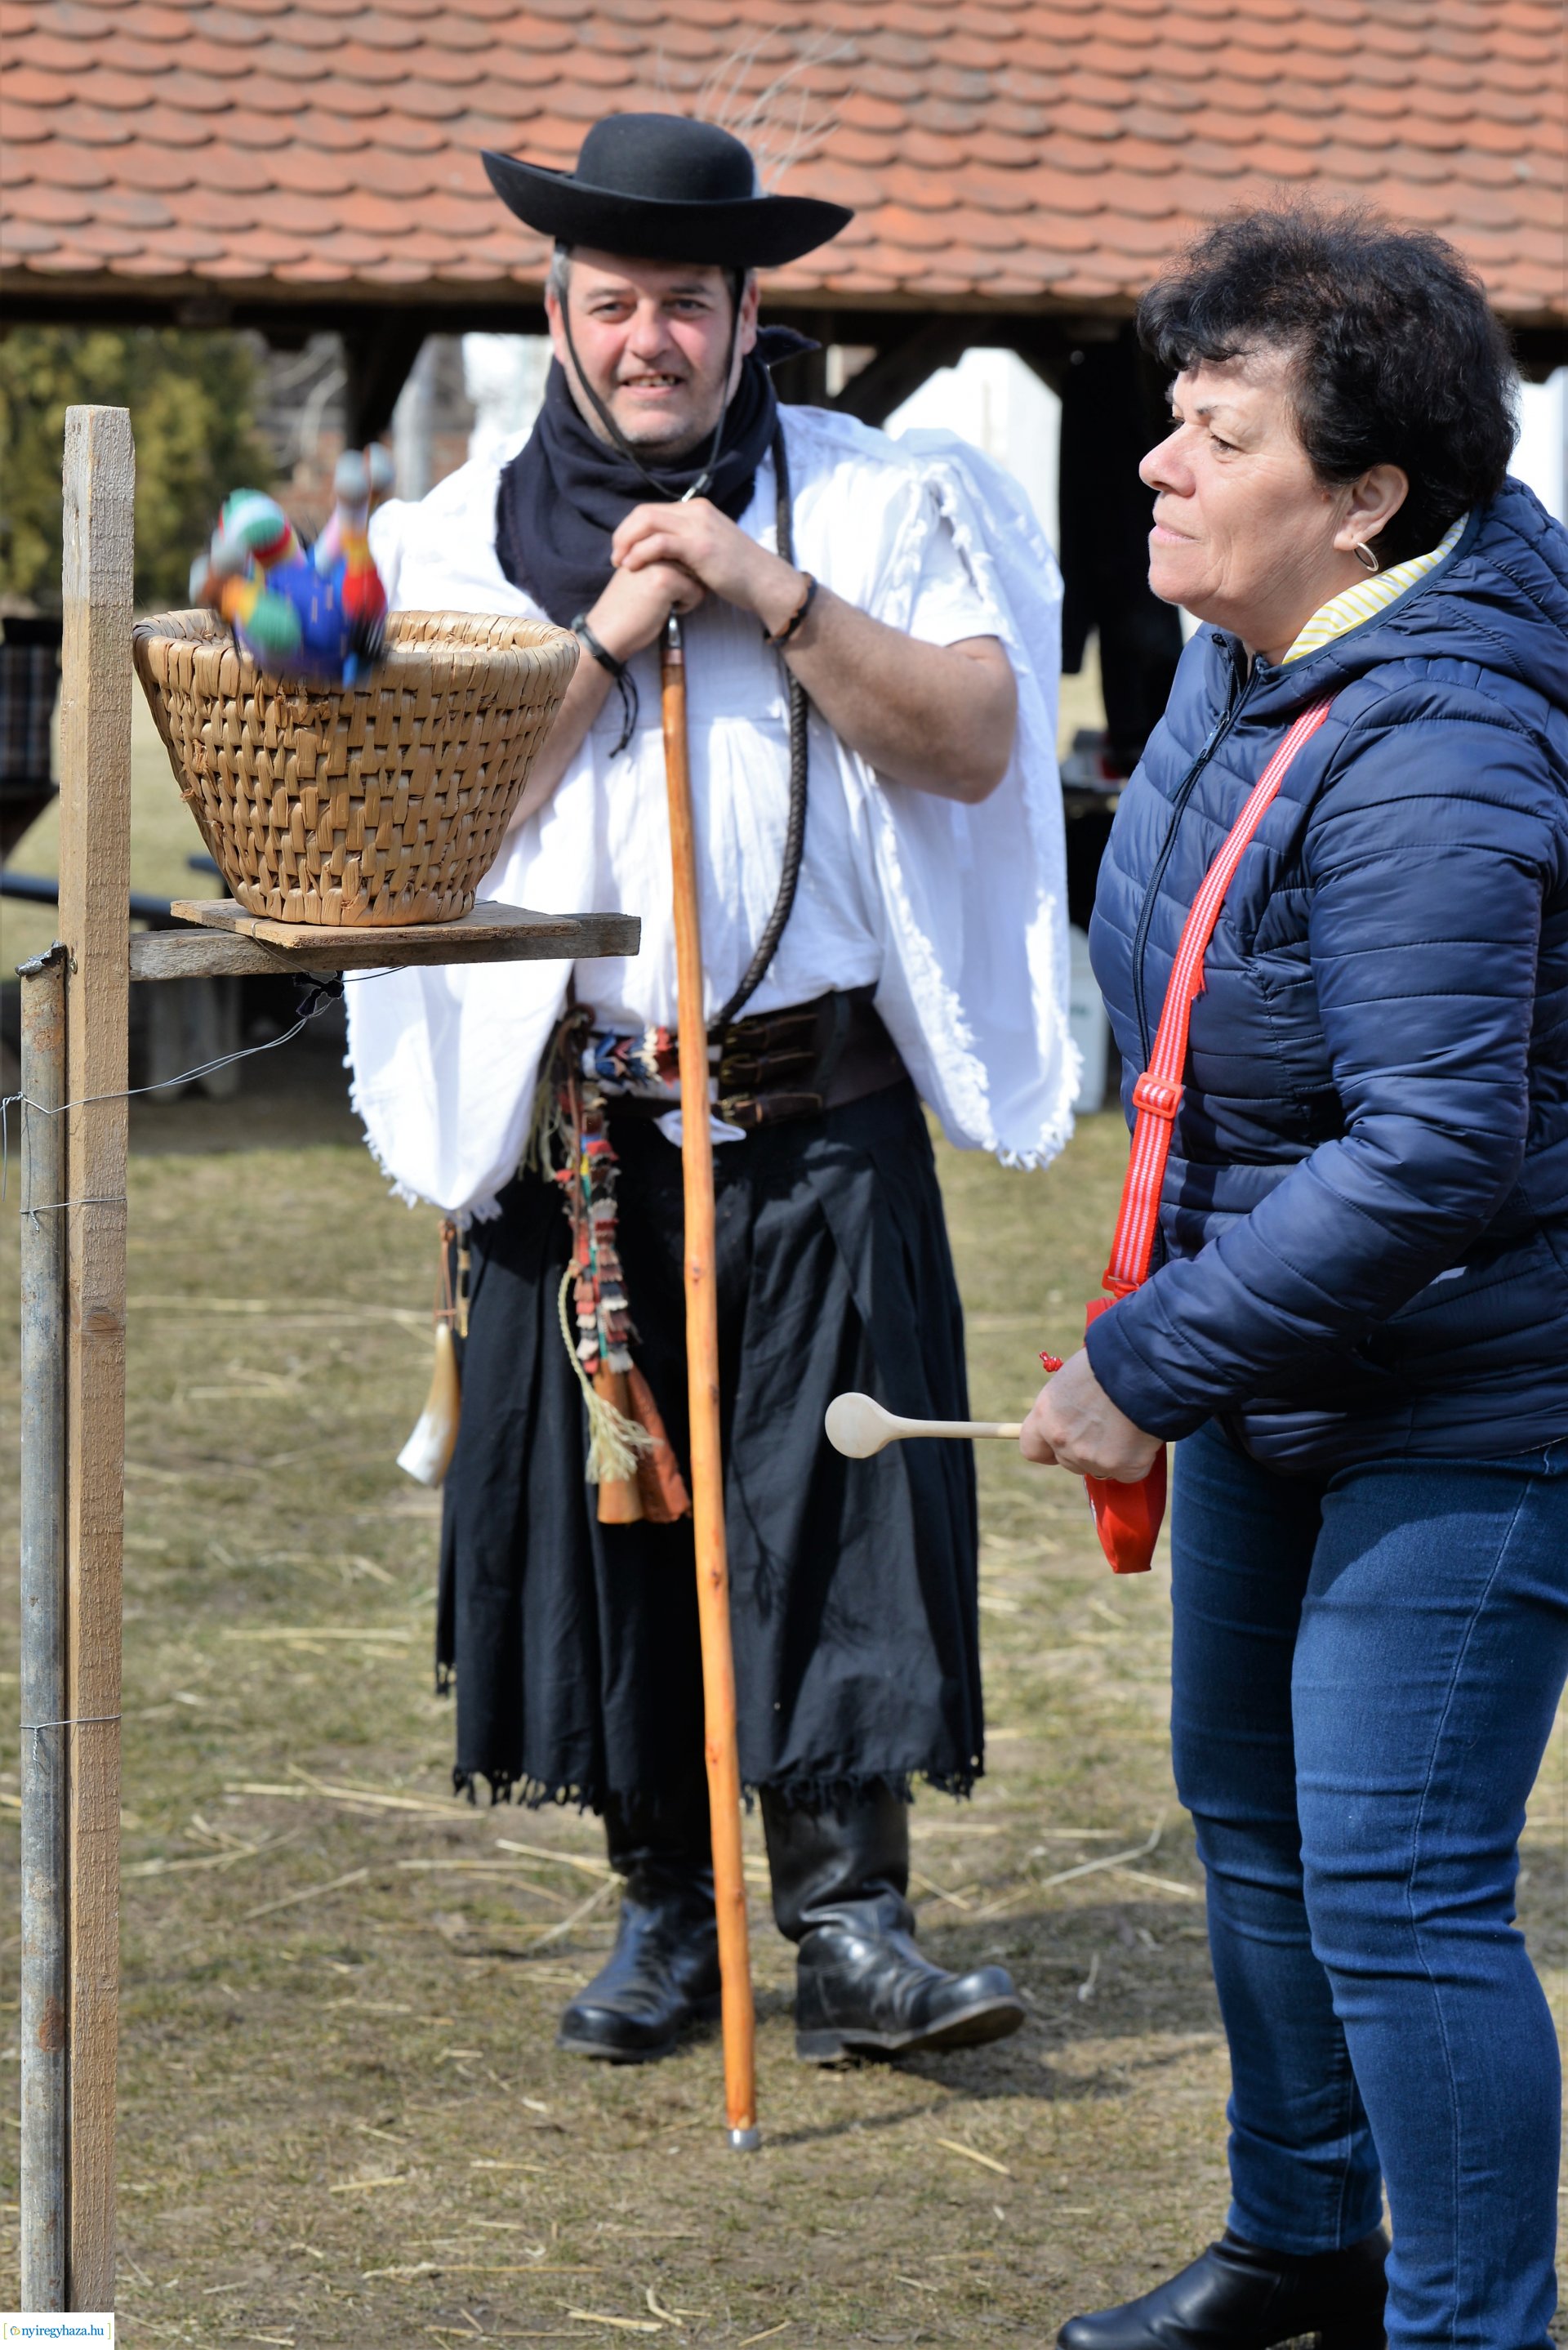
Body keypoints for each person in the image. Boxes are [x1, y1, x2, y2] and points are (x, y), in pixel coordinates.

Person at [349, 112, 1076, 2068]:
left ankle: (852, 1920)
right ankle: (670, 1909)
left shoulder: (878, 498)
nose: (651, 336)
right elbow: (425, 830)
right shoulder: (450, 543)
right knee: (625, 1531)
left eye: (689, 300)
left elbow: (980, 740)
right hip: (585, 1142)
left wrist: (763, 584)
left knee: (837, 1514)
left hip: (817, 1113)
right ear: (557, 312)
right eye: (614, 302)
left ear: (752, 311)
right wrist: (611, 629)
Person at [1022, 207, 1568, 2348]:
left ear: (1360, 498)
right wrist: (1196, 1336)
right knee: (1251, 1819)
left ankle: (1472, 2323)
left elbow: (1440, 1141)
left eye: (1214, 431)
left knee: (1404, 1890)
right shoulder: (1238, 656)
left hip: (1473, 1392)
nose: (1158, 465)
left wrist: (1151, 1351)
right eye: (1170, 417)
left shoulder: (1440, 743)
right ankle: (1303, 2242)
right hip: (1280, 1356)